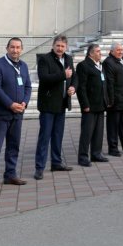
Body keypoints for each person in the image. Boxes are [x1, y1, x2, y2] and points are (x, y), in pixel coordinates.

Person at [0, 37, 32, 192]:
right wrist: (10, 104)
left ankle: (10, 174)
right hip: (0, 114)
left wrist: (24, 103)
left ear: (22, 49)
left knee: (14, 146)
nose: (15, 50)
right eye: (12, 47)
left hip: (18, 114)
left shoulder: (24, 66)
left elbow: (28, 87)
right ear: (7, 48)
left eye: (18, 47)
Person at [34, 34, 76, 180]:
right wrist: (63, 75)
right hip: (48, 104)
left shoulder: (69, 59)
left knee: (58, 135)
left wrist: (72, 88)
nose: (60, 48)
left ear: (66, 47)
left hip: (62, 104)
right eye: (57, 45)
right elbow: (44, 78)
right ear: (53, 45)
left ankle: (56, 163)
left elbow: (74, 77)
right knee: (45, 137)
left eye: (62, 46)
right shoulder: (45, 59)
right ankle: (39, 168)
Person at [75, 43, 109, 166]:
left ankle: (96, 153)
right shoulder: (83, 66)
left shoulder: (100, 65)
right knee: (87, 132)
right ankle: (83, 157)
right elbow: (81, 87)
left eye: (100, 51)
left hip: (100, 104)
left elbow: (104, 84)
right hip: (89, 105)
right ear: (91, 53)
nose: (101, 53)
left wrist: (107, 101)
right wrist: (85, 104)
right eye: (98, 51)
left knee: (99, 132)